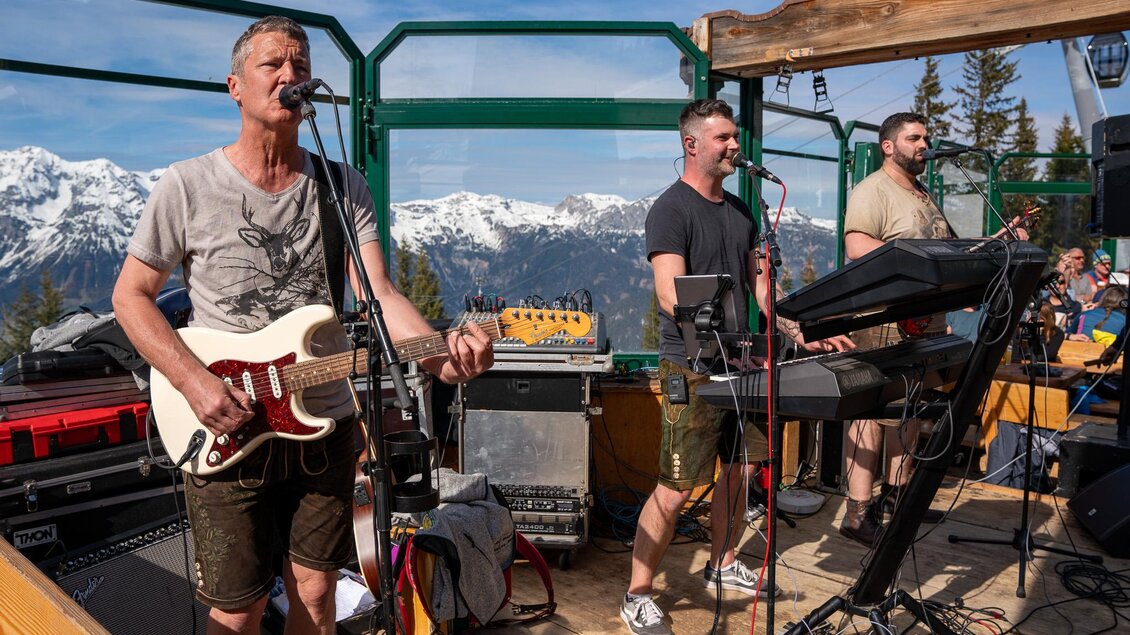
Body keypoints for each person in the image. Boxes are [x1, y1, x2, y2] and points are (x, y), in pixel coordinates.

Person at [111, 17, 493, 635]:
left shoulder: (342, 186)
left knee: (316, 594)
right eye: (273, 65)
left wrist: (437, 357)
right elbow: (131, 296)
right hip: (228, 418)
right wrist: (192, 382)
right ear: (235, 86)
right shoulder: (187, 185)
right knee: (238, 610)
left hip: (325, 419)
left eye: (302, 66)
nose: (292, 76)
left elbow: (381, 295)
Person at [620, 98, 852, 635]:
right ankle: (638, 592)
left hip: (744, 365)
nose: (733, 147)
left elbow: (765, 291)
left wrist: (801, 334)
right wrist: (705, 330)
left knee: (743, 469)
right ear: (691, 144)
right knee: (676, 488)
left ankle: (722, 564)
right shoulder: (670, 210)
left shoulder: (744, 213)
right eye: (723, 137)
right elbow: (667, 290)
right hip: (692, 369)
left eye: (734, 137)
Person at [838, 112, 1027, 546]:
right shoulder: (874, 190)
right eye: (914, 137)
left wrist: (1000, 239)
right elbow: (857, 245)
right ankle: (857, 513)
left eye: (926, 136)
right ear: (889, 146)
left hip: (924, 320)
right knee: (870, 414)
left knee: (909, 411)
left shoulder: (922, 194)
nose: (924, 144)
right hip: (884, 319)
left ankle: (897, 498)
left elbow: (944, 255)